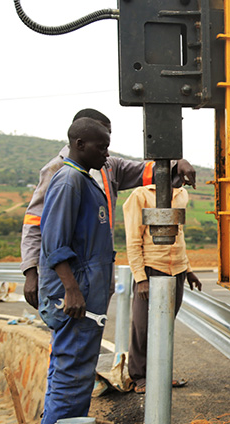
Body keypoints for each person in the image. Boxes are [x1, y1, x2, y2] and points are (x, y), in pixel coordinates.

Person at [20, 108, 197, 309]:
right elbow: (35, 222)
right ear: (81, 140)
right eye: (100, 142)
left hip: (98, 269)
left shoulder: (108, 166)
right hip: (68, 272)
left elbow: (147, 171)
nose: (106, 150)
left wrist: (177, 164)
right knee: (68, 328)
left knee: (91, 328)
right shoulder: (59, 172)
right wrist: (31, 270)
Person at [34, 118, 115, 424]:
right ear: (80, 144)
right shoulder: (69, 181)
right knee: (73, 363)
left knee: (76, 360)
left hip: (84, 291)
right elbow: (55, 242)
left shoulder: (83, 178)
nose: (106, 154)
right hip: (75, 294)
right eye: (101, 146)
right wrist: (71, 289)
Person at [123, 184, 201, 393]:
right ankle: (140, 377)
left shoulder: (182, 194)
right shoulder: (140, 195)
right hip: (151, 269)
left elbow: (179, 235)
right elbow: (133, 239)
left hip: (177, 270)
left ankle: (161, 374)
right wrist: (140, 278)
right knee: (143, 327)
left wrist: (188, 269)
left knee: (165, 327)